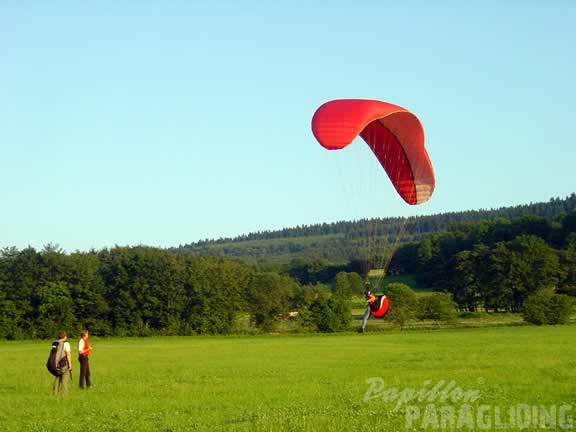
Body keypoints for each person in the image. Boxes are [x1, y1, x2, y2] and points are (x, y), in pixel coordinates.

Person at [53, 330, 72, 398]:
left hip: (55, 364)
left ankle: (55, 394)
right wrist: (70, 365)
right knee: (64, 380)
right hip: (64, 364)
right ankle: (64, 396)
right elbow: (68, 354)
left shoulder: (55, 343)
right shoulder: (66, 344)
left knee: (57, 378)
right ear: (65, 336)